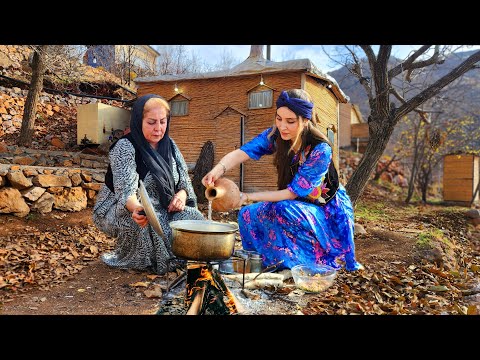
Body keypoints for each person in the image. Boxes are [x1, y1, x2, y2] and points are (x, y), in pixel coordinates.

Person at [202, 89, 363, 272]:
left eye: (290, 121)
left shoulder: (320, 150)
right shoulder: (276, 135)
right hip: (295, 203)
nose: (282, 126)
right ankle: (259, 261)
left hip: (325, 211)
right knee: (246, 214)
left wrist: (246, 196)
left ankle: (297, 262)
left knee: (282, 208)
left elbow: (292, 193)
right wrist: (217, 170)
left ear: (306, 121)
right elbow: (244, 151)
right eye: (279, 118)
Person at [93, 94, 204, 275]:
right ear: (139, 120)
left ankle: (179, 257)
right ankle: (154, 259)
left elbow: (184, 182)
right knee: (151, 222)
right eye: (151, 122)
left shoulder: (170, 146)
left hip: (164, 206)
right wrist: (137, 208)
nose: (158, 129)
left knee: (194, 218)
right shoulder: (125, 147)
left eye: (162, 122)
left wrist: (181, 196)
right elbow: (125, 191)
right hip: (121, 208)